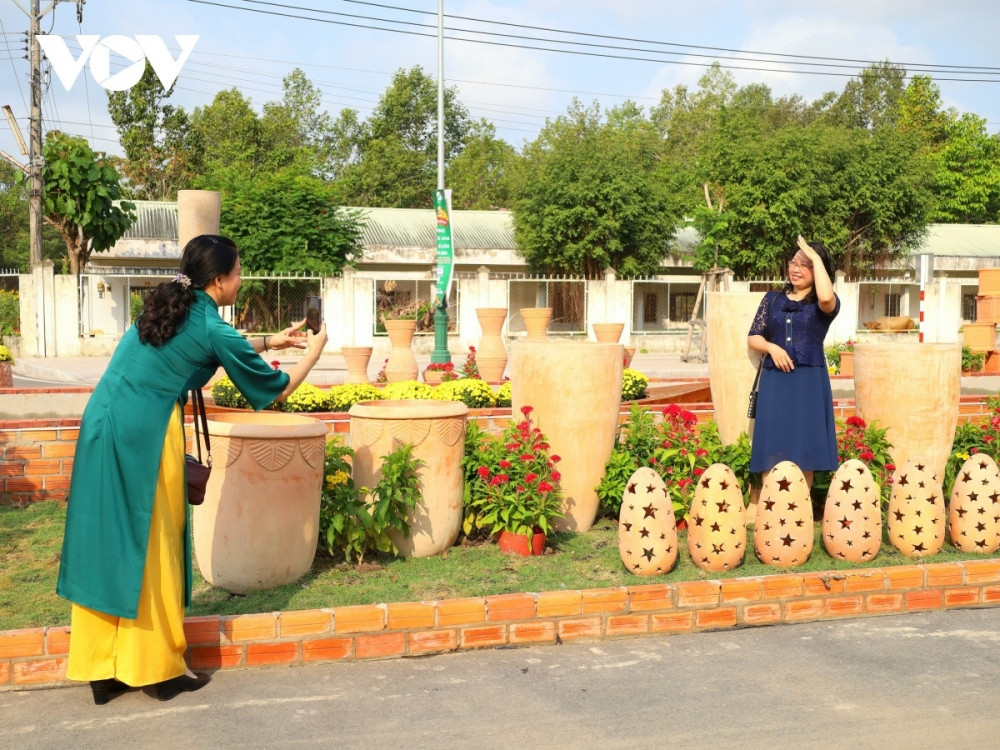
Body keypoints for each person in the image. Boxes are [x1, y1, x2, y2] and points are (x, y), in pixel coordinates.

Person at [57, 234, 328, 705]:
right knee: (154, 544)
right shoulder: (211, 326)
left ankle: (103, 666)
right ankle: (156, 669)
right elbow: (276, 391)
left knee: (108, 542)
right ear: (219, 281)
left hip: (102, 421)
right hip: (145, 435)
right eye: (239, 273)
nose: (242, 281)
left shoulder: (165, 305)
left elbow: (211, 346)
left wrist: (273, 339)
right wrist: (314, 349)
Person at [747, 235, 840, 486]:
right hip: (775, 380)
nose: (796, 269)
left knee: (804, 448)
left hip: (809, 382)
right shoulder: (772, 299)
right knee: (772, 445)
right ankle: (770, 509)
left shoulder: (825, 303)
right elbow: (753, 337)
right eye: (793, 263)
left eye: (804, 264)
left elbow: (825, 298)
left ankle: (798, 511)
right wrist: (771, 347)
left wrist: (816, 258)